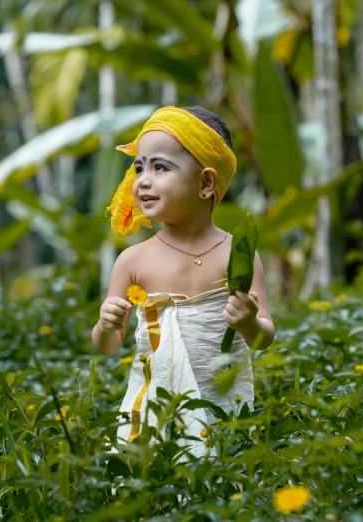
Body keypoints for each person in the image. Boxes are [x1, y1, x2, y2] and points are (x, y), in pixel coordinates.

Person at [91, 106, 275, 458]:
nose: (143, 180)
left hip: (226, 408)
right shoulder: (132, 261)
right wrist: (105, 324)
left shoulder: (238, 254)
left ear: (206, 183)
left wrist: (250, 322)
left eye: (160, 167)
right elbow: (108, 346)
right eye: (139, 167)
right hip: (157, 411)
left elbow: (264, 337)